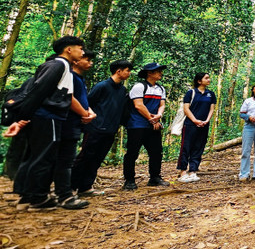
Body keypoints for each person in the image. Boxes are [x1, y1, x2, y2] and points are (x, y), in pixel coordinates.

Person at [12, 35, 89, 211]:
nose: (82, 52)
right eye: (80, 48)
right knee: (45, 157)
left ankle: (30, 196)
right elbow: (39, 91)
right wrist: (24, 117)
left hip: (46, 116)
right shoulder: (59, 65)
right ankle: (38, 199)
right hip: (49, 117)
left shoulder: (59, 66)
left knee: (39, 156)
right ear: (69, 49)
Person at [71, 59, 133, 197]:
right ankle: (70, 188)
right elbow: (87, 103)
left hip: (110, 130)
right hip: (95, 129)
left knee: (97, 159)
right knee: (85, 157)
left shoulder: (123, 90)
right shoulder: (102, 86)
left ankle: (85, 187)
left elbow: (123, 111)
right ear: (119, 71)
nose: (129, 73)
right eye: (127, 70)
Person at [51, 49, 97, 210]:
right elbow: (68, 98)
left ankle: (63, 192)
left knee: (67, 158)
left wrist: (88, 111)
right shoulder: (69, 76)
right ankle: (64, 194)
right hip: (66, 122)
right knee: (64, 159)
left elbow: (81, 99)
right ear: (76, 60)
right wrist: (85, 113)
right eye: (87, 59)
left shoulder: (78, 79)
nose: (90, 63)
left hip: (75, 123)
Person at [122, 62, 169, 190]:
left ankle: (155, 177)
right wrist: (151, 119)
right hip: (137, 124)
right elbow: (138, 105)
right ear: (149, 73)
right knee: (132, 152)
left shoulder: (160, 89)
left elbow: (162, 104)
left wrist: (158, 116)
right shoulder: (139, 87)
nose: (160, 73)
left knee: (156, 151)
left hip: (153, 124)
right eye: (157, 71)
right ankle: (129, 180)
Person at [176, 72, 217, 183]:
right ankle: (183, 171)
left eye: (209, 78)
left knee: (199, 147)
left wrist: (207, 120)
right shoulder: (191, 93)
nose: (209, 80)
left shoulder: (211, 94)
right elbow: (186, 108)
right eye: (206, 78)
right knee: (186, 147)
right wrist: (194, 120)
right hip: (190, 124)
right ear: (199, 81)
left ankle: (193, 171)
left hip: (204, 125)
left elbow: (211, 109)